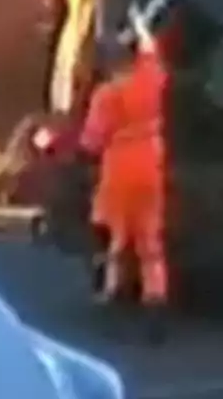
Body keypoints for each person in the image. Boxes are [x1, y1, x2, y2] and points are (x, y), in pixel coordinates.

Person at [78, 20, 170, 343]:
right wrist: (142, 26)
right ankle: (156, 300)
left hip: (119, 168)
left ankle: (113, 294)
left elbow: (91, 141)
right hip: (151, 163)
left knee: (116, 238)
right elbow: (153, 54)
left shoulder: (107, 95)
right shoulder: (151, 81)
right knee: (151, 242)